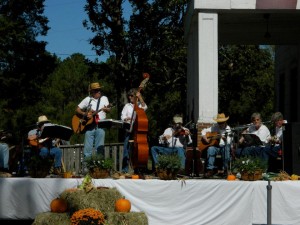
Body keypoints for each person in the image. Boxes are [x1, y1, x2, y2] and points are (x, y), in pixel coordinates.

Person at [76, 82, 111, 158]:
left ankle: (99, 168)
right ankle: (87, 168)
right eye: (96, 90)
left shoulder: (104, 98)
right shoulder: (88, 99)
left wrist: (106, 109)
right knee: (87, 149)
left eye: (99, 90)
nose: (99, 91)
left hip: (100, 125)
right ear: (92, 91)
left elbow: (109, 109)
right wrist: (85, 114)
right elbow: (78, 109)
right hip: (89, 126)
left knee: (100, 148)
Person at [120, 88, 147, 173]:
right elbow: (122, 117)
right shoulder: (127, 106)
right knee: (126, 149)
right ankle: (125, 169)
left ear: (135, 96)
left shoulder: (139, 105)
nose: (130, 97)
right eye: (129, 96)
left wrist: (140, 97)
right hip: (128, 130)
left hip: (138, 130)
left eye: (132, 95)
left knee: (138, 150)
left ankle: (138, 168)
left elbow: (145, 107)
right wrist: (126, 118)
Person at [200, 113, 233, 178]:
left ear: (225, 122)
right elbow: (203, 131)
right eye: (219, 123)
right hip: (216, 147)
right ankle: (210, 170)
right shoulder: (215, 126)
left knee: (226, 149)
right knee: (210, 149)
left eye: (222, 123)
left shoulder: (228, 129)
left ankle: (225, 169)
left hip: (224, 146)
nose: (220, 124)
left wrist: (223, 139)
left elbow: (229, 142)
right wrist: (205, 138)